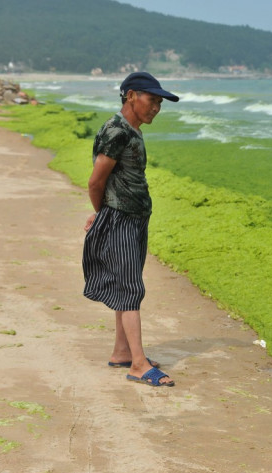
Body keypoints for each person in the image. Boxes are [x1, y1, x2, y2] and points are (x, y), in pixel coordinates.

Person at [82, 72, 179, 387]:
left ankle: (122, 351)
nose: (156, 108)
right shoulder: (117, 131)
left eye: (160, 103)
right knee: (130, 290)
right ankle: (138, 365)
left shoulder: (132, 131)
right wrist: (103, 215)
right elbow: (96, 181)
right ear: (131, 95)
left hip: (134, 218)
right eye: (152, 100)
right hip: (120, 218)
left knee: (126, 287)